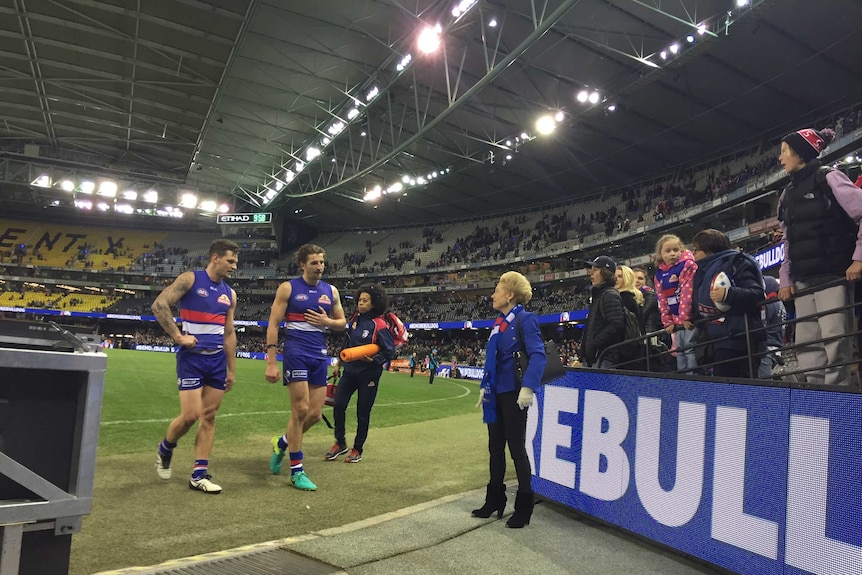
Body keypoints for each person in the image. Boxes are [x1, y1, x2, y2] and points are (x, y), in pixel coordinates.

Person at [152, 239, 239, 494]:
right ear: (215, 258)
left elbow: (229, 332)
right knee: (190, 416)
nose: (234, 266)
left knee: (209, 416)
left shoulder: (230, 294)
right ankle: (166, 448)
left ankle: (199, 475)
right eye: (230, 261)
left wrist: (231, 369)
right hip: (192, 359)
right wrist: (178, 337)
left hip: (217, 362)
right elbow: (159, 305)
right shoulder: (190, 279)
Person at [777, 127, 862, 386]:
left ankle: (838, 397)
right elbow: (787, 239)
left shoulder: (830, 178)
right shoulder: (786, 193)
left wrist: (859, 258)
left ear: (800, 153)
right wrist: (784, 278)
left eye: (784, 152)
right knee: (808, 343)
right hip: (803, 279)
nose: (780, 159)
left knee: (835, 341)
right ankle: (814, 396)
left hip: (834, 274)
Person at [265, 244, 347, 491]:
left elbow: (342, 323)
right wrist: (271, 361)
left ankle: (282, 442)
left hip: (319, 354)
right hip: (296, 352)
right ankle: (297, 470)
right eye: (314, 263)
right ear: (302, 265)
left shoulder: (331, 291)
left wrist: (327, 321)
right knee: (300, 410)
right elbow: (273, 324)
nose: (319, 267)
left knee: (314, 414)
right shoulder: (288, 288)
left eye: (322, 262)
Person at [473, 271, 545, 528]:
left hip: (514, 392)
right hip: (496, 392)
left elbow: (538, 355)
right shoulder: (499, 323)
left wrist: (528, 387)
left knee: (516, 448)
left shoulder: (525, 319)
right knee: (495, 449)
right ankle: (495, 500)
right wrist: (485, 386)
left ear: (510, 294)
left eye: (497, 289)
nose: (493, 294)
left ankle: (524, 508)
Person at [325, 284, 395, 464]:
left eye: (365, 301)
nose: (360, 303)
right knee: (339, 405)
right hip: (349, 371)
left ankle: (358, 448)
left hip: (369, 376)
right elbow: (346, 343)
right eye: (359, 300)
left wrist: (375, 360)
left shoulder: (379, 325)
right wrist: (339, 363)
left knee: (362, 412)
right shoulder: (355, 319)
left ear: (374, 303)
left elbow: (390, 351)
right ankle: (340, 443)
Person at [691, 230, 765, 378]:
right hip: (716, 340)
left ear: (709, 250)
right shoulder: (703, 271)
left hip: (737, 340)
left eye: (696, 249)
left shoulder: (737, 262)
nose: (693, 254)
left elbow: (756, 293)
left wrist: (729, 294)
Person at [654, 234, 697, 372]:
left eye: (675, 250)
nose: (672, 254)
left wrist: (686, 316)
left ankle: (694, 379)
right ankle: (682, 380)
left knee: (690, 348)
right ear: (660, 254)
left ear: (681, 250)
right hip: (676, 321)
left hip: (689, 318)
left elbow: (687, 292)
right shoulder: (659, 275)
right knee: (679, 350)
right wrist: (667, 321)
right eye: (668, 251)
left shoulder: (687, 265)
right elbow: (662, 300)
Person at [580, 256, 625, 368]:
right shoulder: (599, 295)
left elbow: (617, 324)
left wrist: (594, 344)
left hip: (604, 358)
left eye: (595, 270)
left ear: (605, 272)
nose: (591, 273)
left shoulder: (609, 295)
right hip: (597, 358)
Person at [615, 264, 646, 369]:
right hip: (634, 348)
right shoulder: (633, 296)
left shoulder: (625, 297)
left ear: (627, 278)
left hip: (627, 350)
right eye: (615, 276)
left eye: (620, 276)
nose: (616, 279)